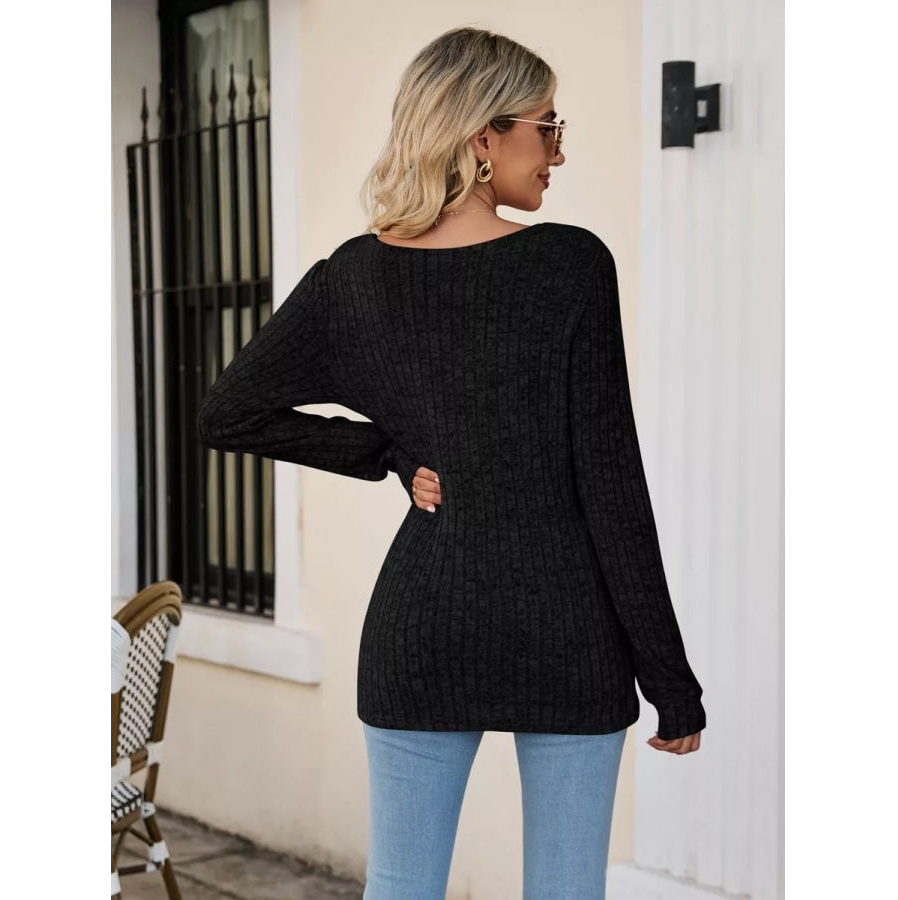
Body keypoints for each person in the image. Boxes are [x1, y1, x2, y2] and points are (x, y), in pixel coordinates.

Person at [197, 24, 706, 900]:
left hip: (422, 628)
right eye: (546, 127)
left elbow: (225, 411)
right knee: (567, 890)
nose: (558, 151)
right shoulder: (570, 265)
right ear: (483, 137)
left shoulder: (354, 277)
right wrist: (670, 678)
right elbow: (611, 485)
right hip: (569, 630)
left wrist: (386, 450)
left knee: (401, 886)